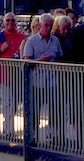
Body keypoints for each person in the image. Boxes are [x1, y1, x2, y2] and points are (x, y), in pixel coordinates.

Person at [20, 14, 61, 142]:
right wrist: (40, 60)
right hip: (36, 81)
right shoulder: (31, 42)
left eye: (50, 25)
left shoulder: (55, 41)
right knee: (34, 111)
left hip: (52, 81)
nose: (48, 28)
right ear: (39, 26)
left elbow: (60, 57)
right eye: (46, 25)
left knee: (54, 109)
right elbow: (26, 62)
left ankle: (55, 136)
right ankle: (33, 137)